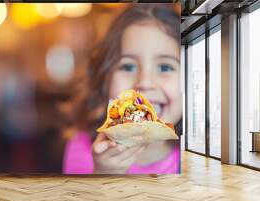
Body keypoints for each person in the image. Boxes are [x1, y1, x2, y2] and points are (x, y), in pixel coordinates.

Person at [63, 4, 182, 174]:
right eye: (128, 67)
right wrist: (104, 174)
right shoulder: (82, 146)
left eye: (165, 67)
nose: (145, 83)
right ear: (105, 78)